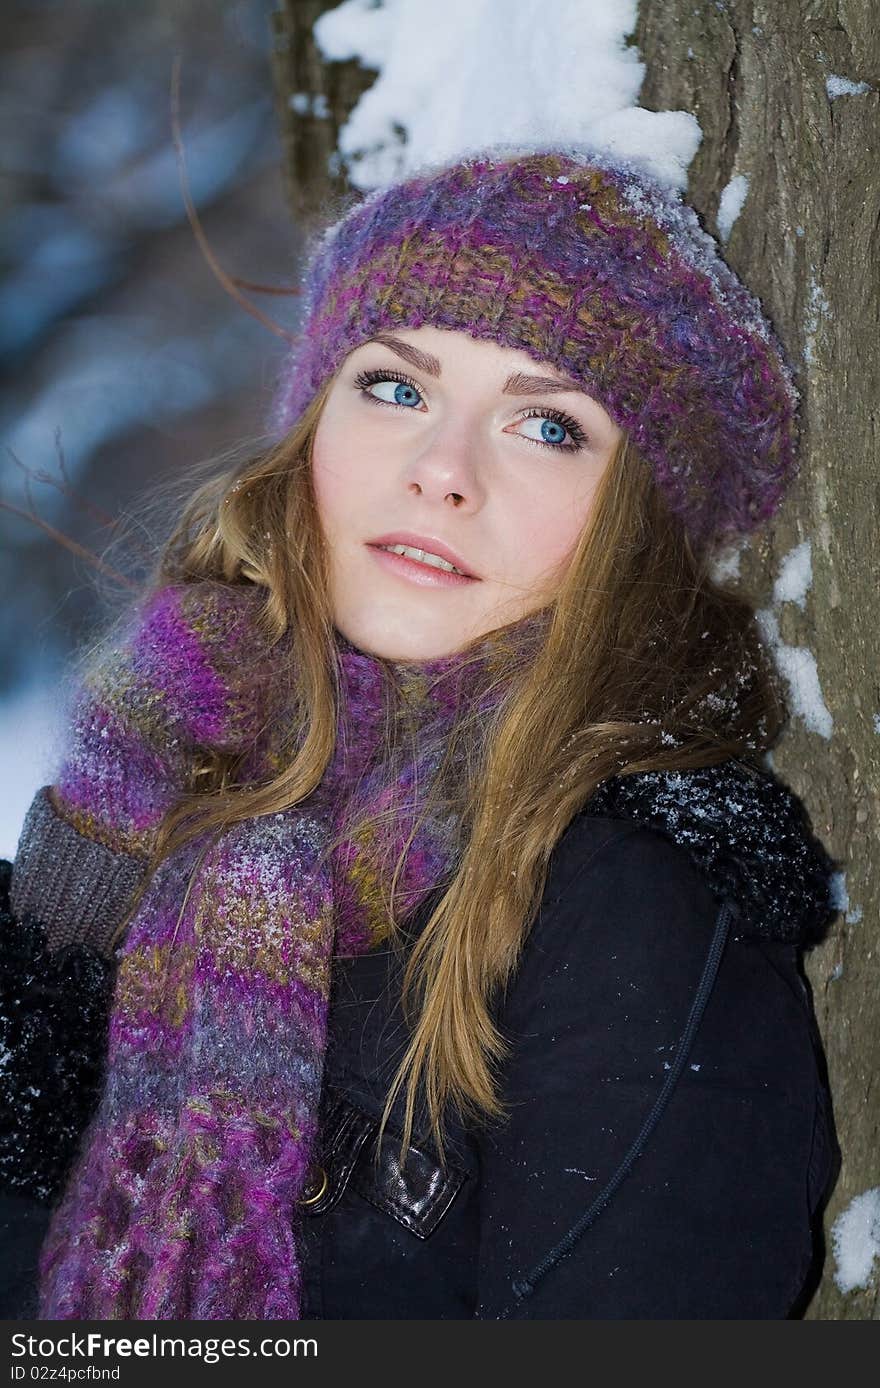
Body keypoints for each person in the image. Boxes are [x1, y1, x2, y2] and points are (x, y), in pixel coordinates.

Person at [0, 147, 841, 1321]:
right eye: (395, 388)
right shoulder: (127, 802)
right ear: (311, 428)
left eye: (546, 425)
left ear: (633, 529)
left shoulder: (621, 901)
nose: (440, 473)